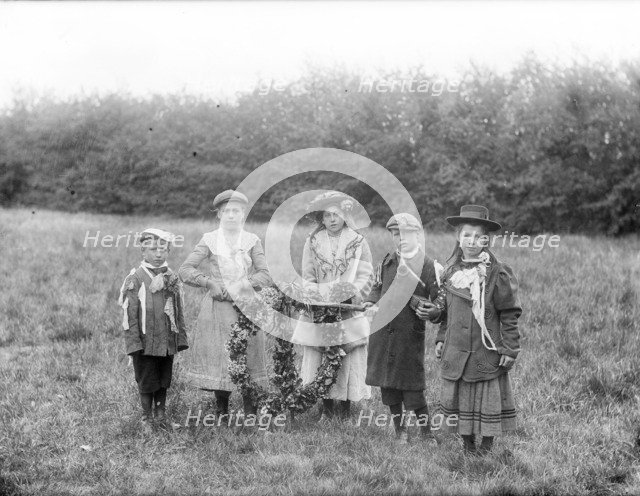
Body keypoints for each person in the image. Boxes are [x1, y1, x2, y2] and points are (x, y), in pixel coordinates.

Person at [435, 205, 522, 455]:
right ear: (458, 238)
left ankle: (486, 445)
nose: (472, 242)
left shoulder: (497, 273)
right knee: (460, 397)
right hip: (457, 349)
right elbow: (446, 313)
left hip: (486, 351)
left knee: (486, 398)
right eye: (466, 236)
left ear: (486, 240)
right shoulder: (451, 272)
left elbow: (509, 313)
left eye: (478, 236)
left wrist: (509, 348)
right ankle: (467, 444)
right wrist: (442, 338)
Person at [178, 190, 272, 419]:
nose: (231, 215)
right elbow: (185, 270)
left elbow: (265, 275)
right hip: (218, 308)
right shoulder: (209, 239)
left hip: (247, 307)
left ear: (243, 214)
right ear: (219, 214)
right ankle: (221, 413)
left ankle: (251, 413)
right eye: (226, 211)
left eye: (236, 211)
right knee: (222, 356)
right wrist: (208, 282)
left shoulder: (251, 240)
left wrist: (242, 286)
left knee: (249, 354)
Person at [363, 213, 443, 445]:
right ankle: (401, 432)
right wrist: (370, 302)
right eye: (396, 234)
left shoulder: (428, 266)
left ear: (418, 235)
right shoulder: (387, 262)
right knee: (388, 386)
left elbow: (440, 302)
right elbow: (376, 288)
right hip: (382, 334)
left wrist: (433, 311)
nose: (401, 239)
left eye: (407, 234)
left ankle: (426, 432)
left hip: (409, 337)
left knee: (412, 388)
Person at [296, 191, 373, 421]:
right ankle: (326, 406)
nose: (332, 219)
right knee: (322, 352)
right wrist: (314, 295)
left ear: (345, 215)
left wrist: (352, 295)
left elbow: (366, 273)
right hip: (322, 306)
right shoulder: (313, 241)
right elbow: (308, 273)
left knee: (347, 351)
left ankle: (346, 407)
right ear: (321, 218)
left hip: (348, 308)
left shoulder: (358, 242)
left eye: (337, 214)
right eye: (328, 215)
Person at [118, 228, 189, 426]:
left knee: (163, 379)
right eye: (153, 249)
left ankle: (161, 416)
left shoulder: (171, 277)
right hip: (145, 341)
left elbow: (178, 309)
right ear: (143, 251)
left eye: (163, 249)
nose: (158, 254)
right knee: (147, 379)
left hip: (165, 341)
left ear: (168, 251)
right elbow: (129, 314)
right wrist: (133, 343)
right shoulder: (136, 278)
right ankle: (146, 417)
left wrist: (178, 338)